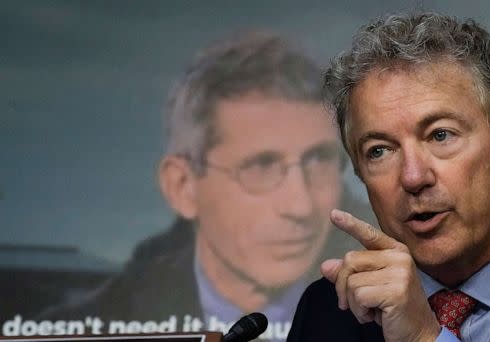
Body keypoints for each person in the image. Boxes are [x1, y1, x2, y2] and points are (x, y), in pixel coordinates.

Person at [287, 12, 490, 342]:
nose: (413, 177)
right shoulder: (329, 312)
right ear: (358, 171)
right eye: (380, 151)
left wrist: (425, 337)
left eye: (440, 135)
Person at [38, 30, 371, 342]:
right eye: (262, 166)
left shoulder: (390, 315)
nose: (300, 206)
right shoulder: (74, 326)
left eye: (319, 161)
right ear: (182, 186)